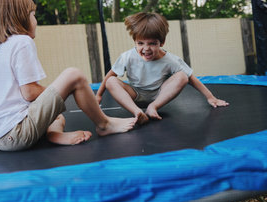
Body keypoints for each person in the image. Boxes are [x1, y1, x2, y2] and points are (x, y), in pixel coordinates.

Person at [0, 0, 136, 151]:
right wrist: (62, 92)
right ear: (19, 18)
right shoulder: (22, 42)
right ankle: (104, 124)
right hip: (18, 133)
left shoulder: (2, 50)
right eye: (33, 15)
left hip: (1, 137)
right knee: (74, 75)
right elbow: (28, 92)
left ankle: (54, 134)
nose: (36, 21)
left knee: (57, 117)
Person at [96, 12, 229, 125]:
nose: (146, 49)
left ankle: (152, 107)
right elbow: (110, 74)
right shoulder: (128, 56)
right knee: (111, 81)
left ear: (162, 42)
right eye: (140, 43)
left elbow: (191, 78)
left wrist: (211, 97)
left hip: (159, 95)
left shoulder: (170, 59)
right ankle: (137, 112)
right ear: (135, 42)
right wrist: (98, 96)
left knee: (182, 76)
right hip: (135, 94)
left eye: (152, 44)